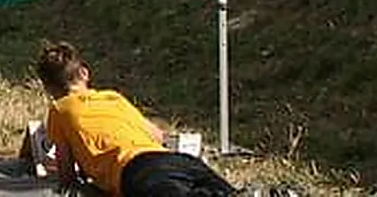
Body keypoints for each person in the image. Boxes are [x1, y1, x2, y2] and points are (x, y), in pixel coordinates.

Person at [36, 42, 237, 197]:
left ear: (48, 88)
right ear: (84, 73)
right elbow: (158, 136)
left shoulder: (58, 110)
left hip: (135, 170)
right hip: (177, 160)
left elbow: (66, 174)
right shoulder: (112, 97)